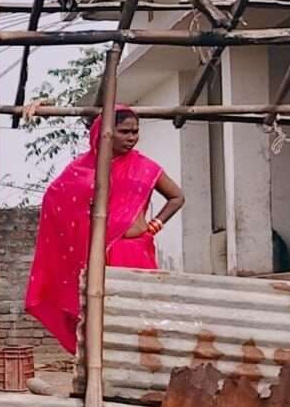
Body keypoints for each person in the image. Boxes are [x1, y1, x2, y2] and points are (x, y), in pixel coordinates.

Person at [24, 106, 183, 354]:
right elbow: (55, 200)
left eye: (135, 132)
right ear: (106, 132)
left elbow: (177, 197)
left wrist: (153, 227)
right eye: (124, 132)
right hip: (99, 256)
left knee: (139, 316)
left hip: (136, 252)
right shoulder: (82, 169)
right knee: (101, 318)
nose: (131, 137)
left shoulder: (145, 167)